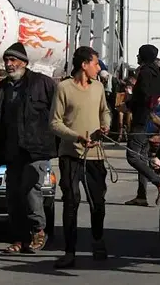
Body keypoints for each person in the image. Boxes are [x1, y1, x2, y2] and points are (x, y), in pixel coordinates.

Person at [0, 42, 57, 254]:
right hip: (11, 150)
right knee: (14, 195)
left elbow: (58, 113)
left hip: (36, 149)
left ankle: (38, 231)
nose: (8, 64)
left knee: (30, 191)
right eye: (6, 60)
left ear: (24, 63)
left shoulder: (43, 84)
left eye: (13, 60)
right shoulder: (1, 89)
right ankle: (19, 239)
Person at [49, 46, 113, 268]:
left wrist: (106, 125)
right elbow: (54, 123)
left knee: (98, 203)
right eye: (96, 63)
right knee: (71, 202)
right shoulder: (63, 88)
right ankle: (69, 252)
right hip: (70, 155)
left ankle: (97, 239)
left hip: (95, 155)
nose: (99, 68)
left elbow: (105, 111)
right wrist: (76, 137)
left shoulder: (98, 88)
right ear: (84, 65)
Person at [125, 44, 160, 207]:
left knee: (133, 156)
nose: (137, 57)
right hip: (155, 121)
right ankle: (141, 195)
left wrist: (129, 103)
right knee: (142, 157)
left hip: (142, 121)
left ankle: (159, 181)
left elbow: (142, 96)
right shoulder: (159, 74)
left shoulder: (143, 72)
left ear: (143, 56)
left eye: (139, 54)